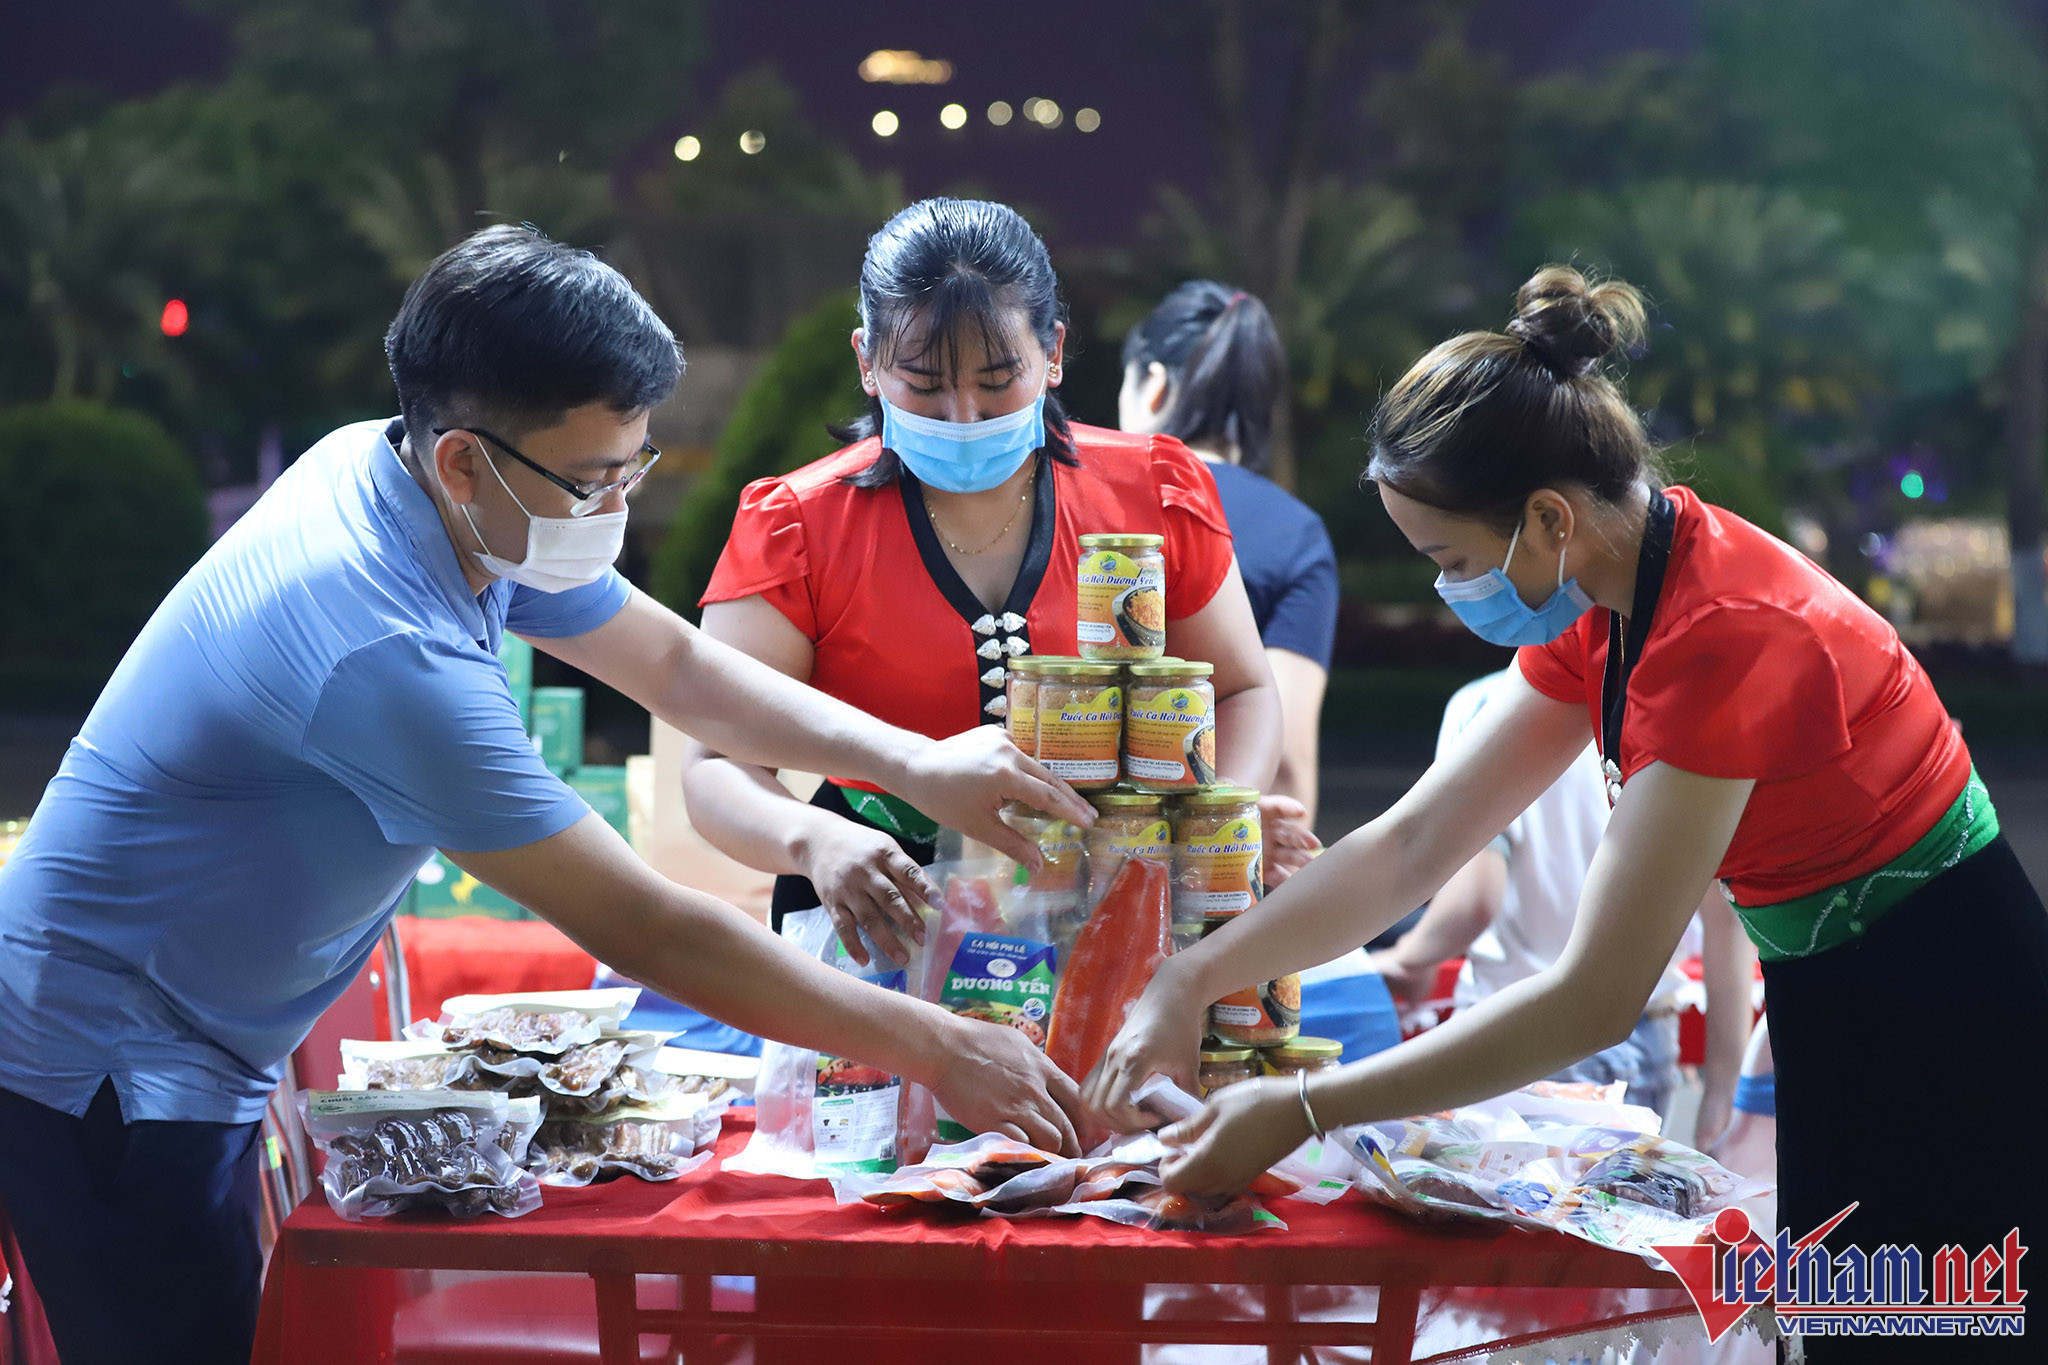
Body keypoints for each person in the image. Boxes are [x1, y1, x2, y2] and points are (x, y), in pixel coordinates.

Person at [0, 226, 1093, 1365]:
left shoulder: (410, 480)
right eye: (592, 480)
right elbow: (646, 924)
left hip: (192, 1040)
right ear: (464, 461)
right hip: (108, 1062)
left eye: (633, 467)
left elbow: (673, 666)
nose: (615, 504)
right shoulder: (381, 646)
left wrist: (915, 763)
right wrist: (940, 1047)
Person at [1088, 266, 2047, 1361]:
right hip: (1835, 1000)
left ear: (1548, 518)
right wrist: (1188, 979)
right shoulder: (1604, 599)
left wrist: (1304, 1108)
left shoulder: (1727, 633)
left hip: (1952, 1017)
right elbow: (1410, 845)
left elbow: (1594, 998)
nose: (1449, 589)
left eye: (1450, 560)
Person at [683, 199, 1291, 960]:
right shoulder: (797, 526)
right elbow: (717, 764)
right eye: (923, 383)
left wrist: (1207, 824)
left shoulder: (1153, 491)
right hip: (879, 908)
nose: (963, 416)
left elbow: (1241, 690)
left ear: (1054, 351)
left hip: (1117, 898)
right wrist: (812, 839)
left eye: (998, 381)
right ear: (867, 361)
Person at [1370, 669, 1751, 1127]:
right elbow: (1727, 915)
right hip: (1646, 1032)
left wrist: (1407, 959)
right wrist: (1724, 1087)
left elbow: (1471, 904)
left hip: (1520, 1032)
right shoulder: (1677, 702)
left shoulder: (1488, 706)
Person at [1119, 282, 1338, 841]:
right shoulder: (1295, 534)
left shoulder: (1096, 507)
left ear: (1153, 385)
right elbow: (1285, 766)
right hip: (1215, 857)